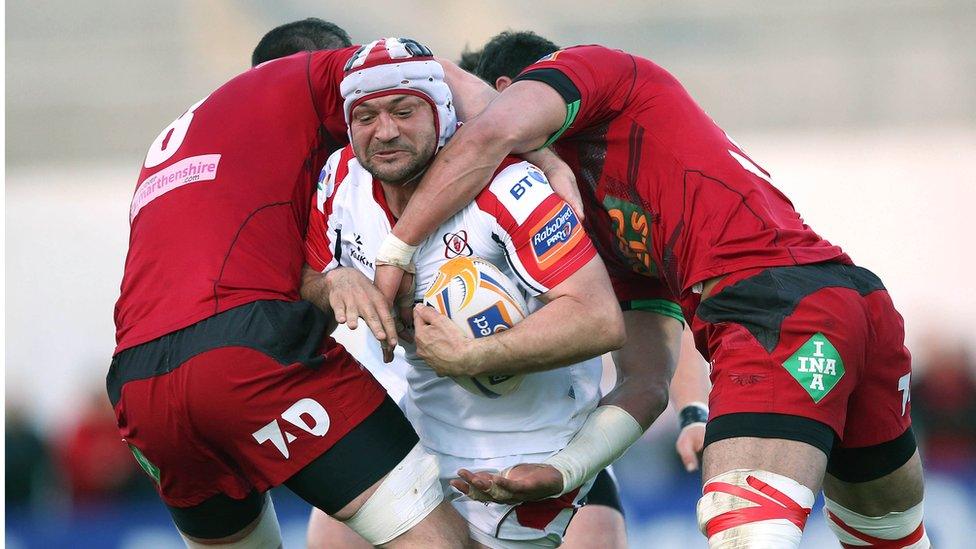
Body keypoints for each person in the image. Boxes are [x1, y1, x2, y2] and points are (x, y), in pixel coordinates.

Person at [371, 43, 929, 548]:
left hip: (775, 306)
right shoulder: (602, 237)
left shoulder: (598, 72)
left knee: (747, 529)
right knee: (886, 535)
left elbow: (465, 109)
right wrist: (564, 470)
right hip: (842, 300)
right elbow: (645, 378)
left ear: (507, 92)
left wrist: (396, 251)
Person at [109, 22, 484, 547]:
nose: (369, 127)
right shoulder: (303, 77)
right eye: (357, 110)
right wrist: (543, 158)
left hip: (138, 388)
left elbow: (246, 265)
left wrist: (330, 280)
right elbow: (422, 72)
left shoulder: (192, 137)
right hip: (243, 356)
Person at [301, 37, 636, 548]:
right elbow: (301, 282)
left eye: (404, 111)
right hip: (416, 437)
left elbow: (598, 319)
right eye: (365, 117)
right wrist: (331, 281)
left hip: (526, 454)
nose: (385, 132)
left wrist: (474, 355)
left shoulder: (511, 188)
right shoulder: (339, 179)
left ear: (441, 112)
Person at [474, 29, 710, 476]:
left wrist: (693, 410)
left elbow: (661, 324)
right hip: (449, 430)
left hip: (560, 426)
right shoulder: (460, 195)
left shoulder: (594, 193)